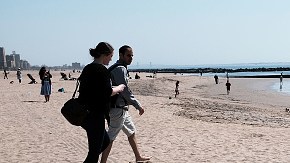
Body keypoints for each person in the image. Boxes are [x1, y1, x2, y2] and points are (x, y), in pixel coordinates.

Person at [101, 45, 150, 163]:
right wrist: (137, 105)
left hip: (121, 108)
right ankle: (102, 162)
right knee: (111, 137)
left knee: (131, 131)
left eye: (132, 55)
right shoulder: (120, 69)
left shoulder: (117, 67)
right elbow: (125, 90)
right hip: (117, 109)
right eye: (128, 55)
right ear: (121, 55)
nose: (131, 58)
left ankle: (138, 157)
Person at [78, 42, 125, 162]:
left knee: (104, 142)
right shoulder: (101, 70)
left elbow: (94, 89)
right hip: (95, 114)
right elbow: (107, 92)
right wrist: (119, 88)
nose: (111, 59)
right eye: (110, 56)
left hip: (85, 113)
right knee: (94, 152)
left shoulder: (88, 68)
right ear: (104, 55)